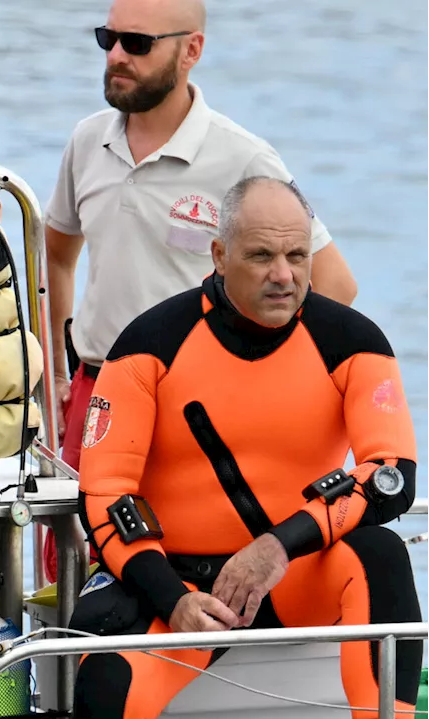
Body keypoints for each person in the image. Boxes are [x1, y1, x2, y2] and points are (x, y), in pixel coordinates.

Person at [69, 176, 420, 718]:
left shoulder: (353, 343)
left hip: (297, 574)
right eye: (261, 256)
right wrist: (173, 600)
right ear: (219, 255)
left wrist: (279, 546)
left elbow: (391, 474)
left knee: (381, 555)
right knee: (106, 681)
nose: (283, 275)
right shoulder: (149, 344)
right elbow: (106, 494)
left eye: (297, 255)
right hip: (183, 585)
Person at [38, 0, 359, 582]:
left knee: (172, 574)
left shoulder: (244, 157)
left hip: (189, 407)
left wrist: (262, 388)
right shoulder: (87, 140)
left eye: (136, 44)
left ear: (191, 50)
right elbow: (56, 255)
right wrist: (57, 375)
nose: (115, 56)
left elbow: (333, 286)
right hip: (94, 394)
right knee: (72, 573)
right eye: (107, 38)